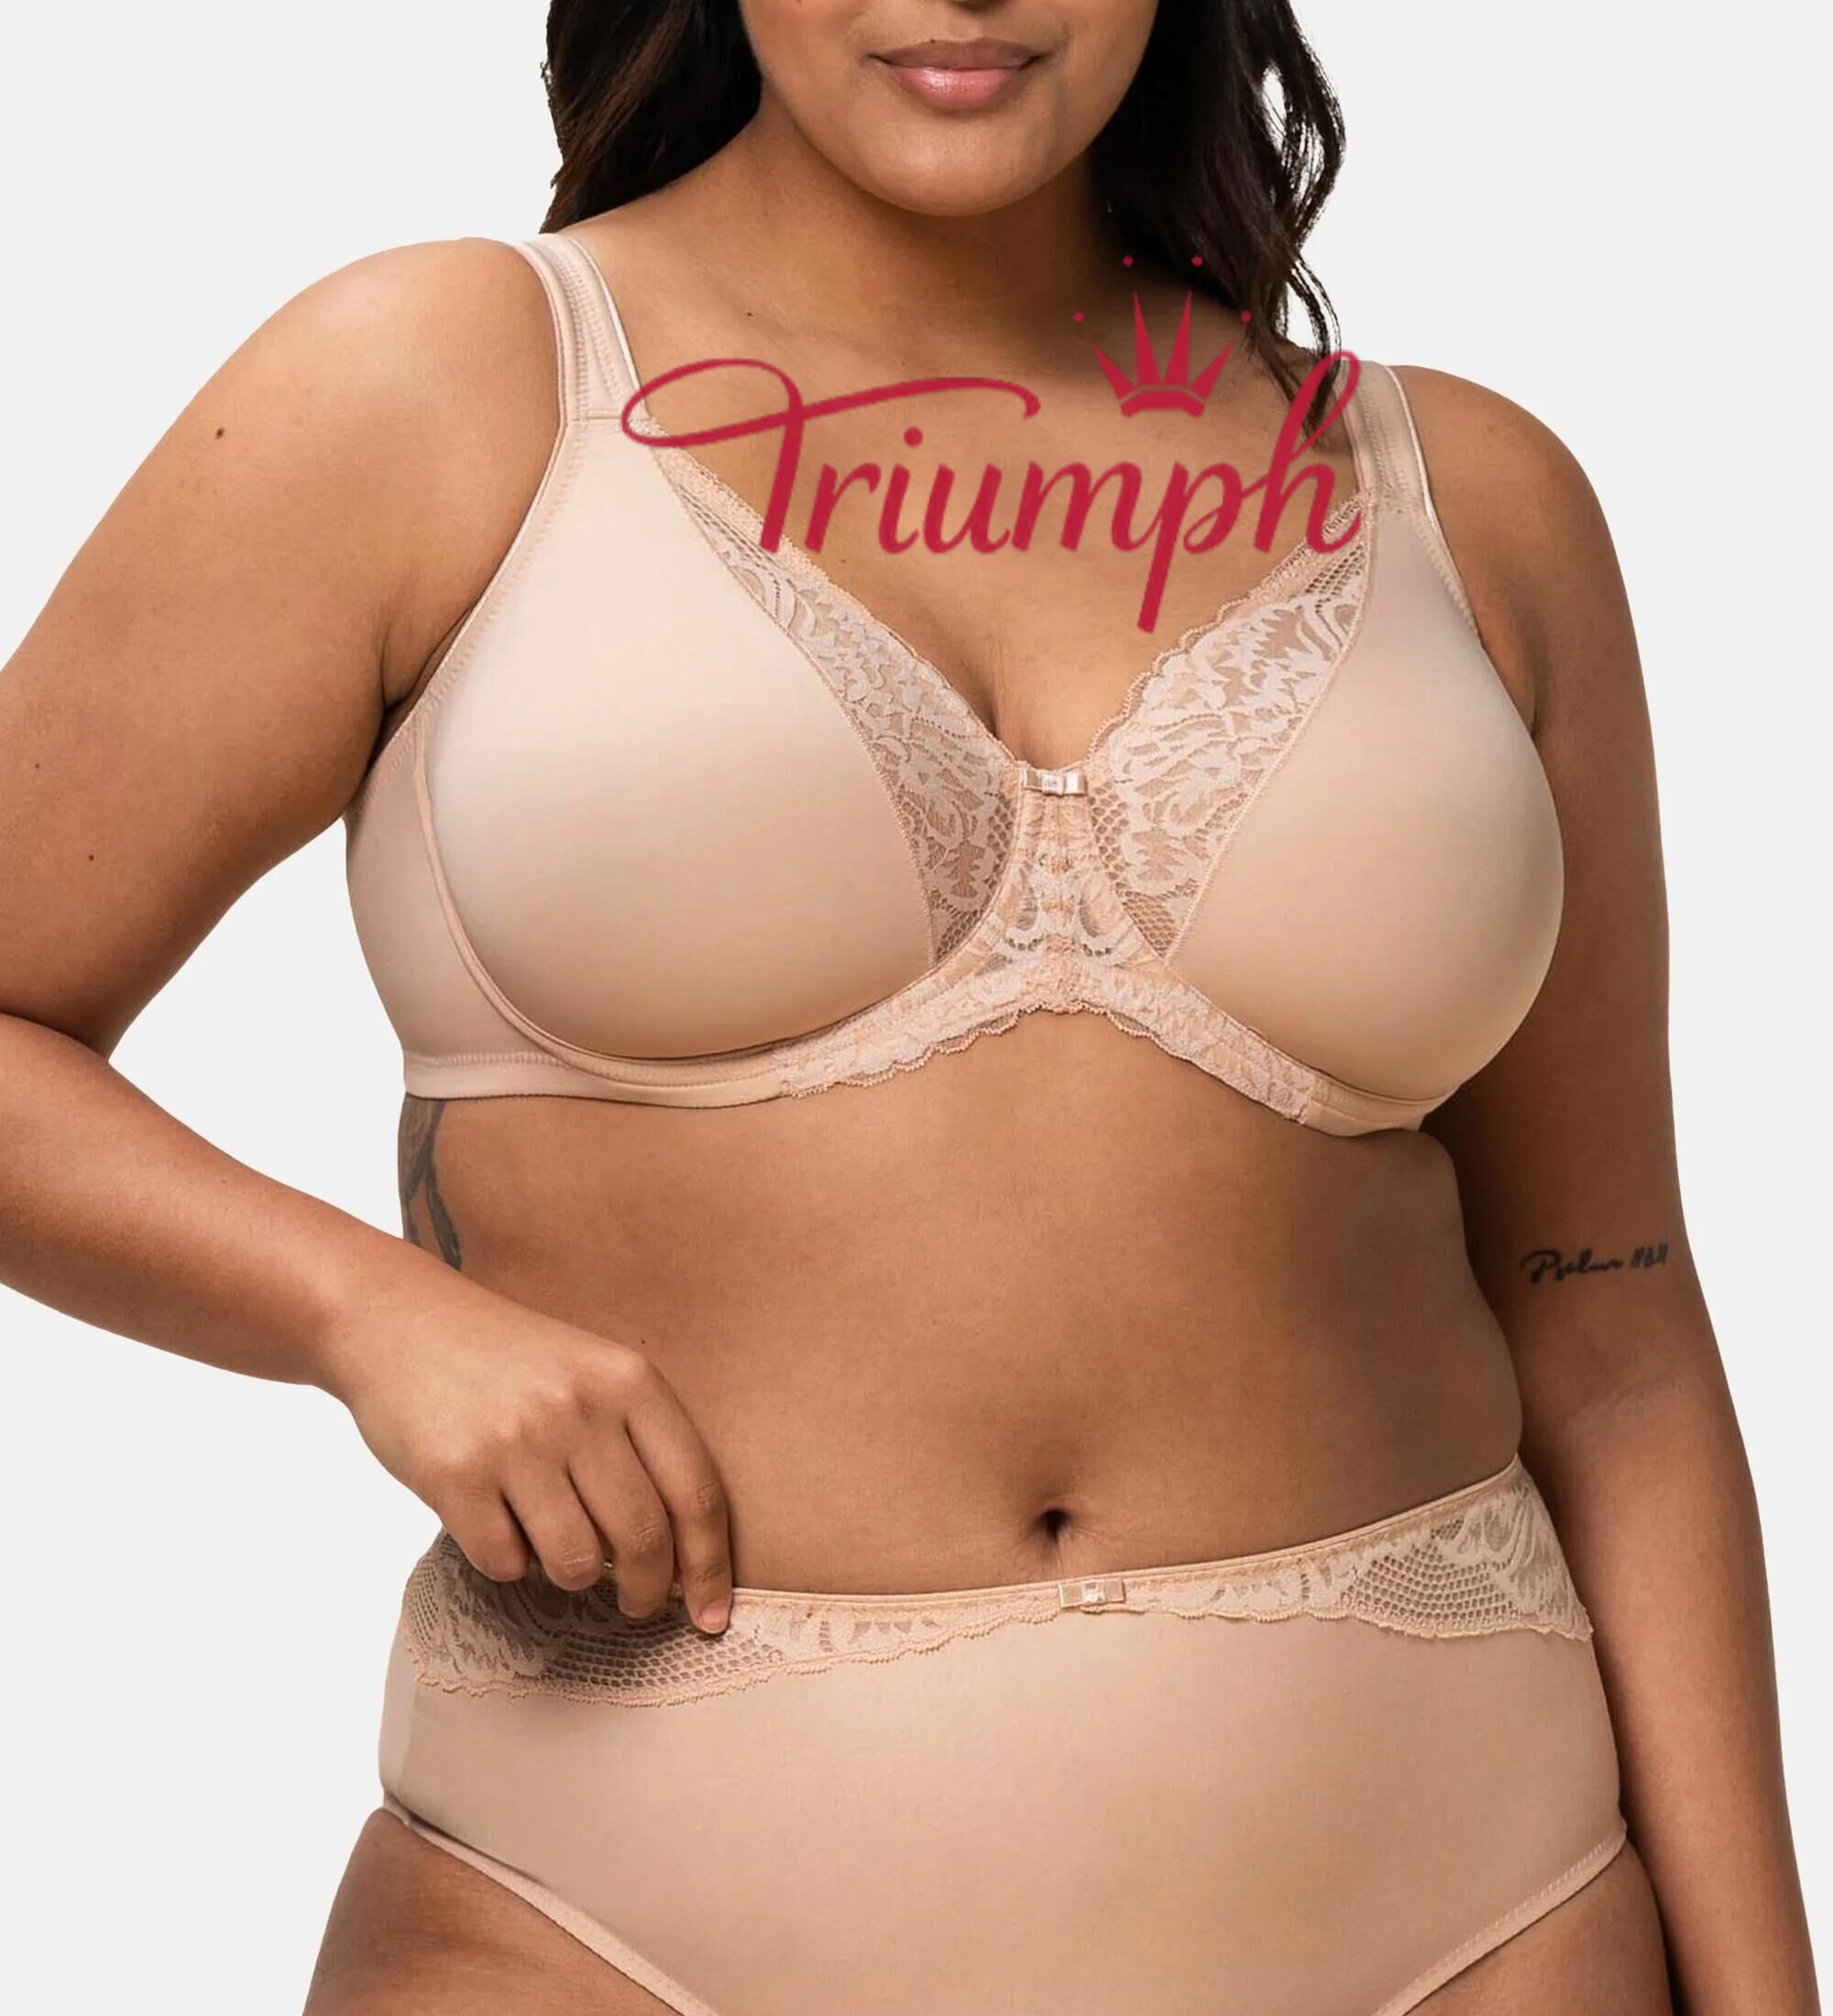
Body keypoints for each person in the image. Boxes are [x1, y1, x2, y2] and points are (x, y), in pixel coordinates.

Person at [0, 3, 1818, 2012]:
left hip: (1480, 1917)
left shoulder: (1467, 496)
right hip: (597, 1926)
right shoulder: (442, 386)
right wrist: (363, 1314)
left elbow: (1610, 1322)